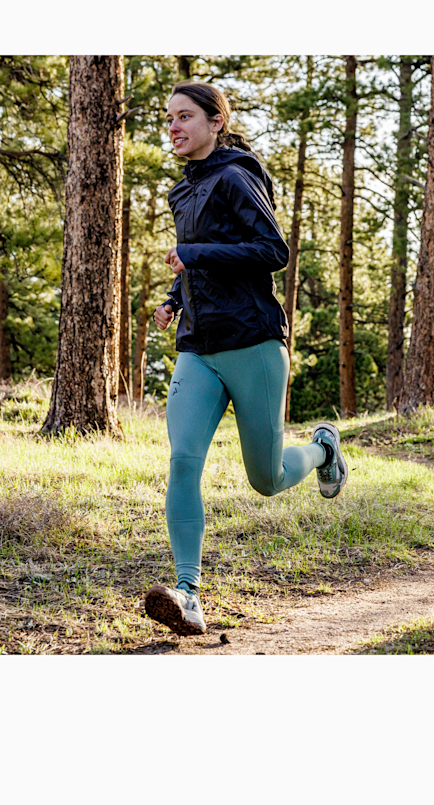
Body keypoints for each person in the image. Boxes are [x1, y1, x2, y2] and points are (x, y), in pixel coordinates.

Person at [144, 81, 348, 637]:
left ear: (216, 121)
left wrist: (192, 252)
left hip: (254, 343)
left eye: (185, 117)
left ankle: (322, 449)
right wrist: (172, 299)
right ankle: (187, 593)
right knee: (183, 461)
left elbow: (271, 252)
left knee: (266, 477)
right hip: (199, 347)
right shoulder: (182, 193)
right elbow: (199, 267)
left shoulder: (236, 176)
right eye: (169, 120)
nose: (174, 128)